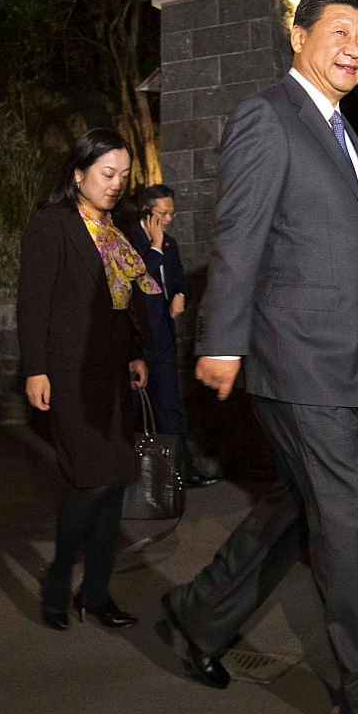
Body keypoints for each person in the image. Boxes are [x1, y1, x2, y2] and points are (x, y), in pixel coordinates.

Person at [156, 0, 358, 714]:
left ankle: (194, 616)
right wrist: (221, 339)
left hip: (346, 359)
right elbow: (240, 232)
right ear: (299, 36)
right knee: (346, 521)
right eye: (339, 30)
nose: (355, 46)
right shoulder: (268, 114)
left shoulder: (344, 131)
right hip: (298, 357)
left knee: (297, 507)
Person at [18, 128, 159, 631]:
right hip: (68, 376)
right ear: (78, 174)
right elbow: (33, 304)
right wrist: (35, 367)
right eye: (106, 174)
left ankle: (96, 594)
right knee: (93, 480)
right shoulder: (52, 226)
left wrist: (136, 353)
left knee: (114, 484)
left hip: (113, 379)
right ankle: (59, 584)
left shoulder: (116, 229)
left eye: (123, 176)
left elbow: (125, 302)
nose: (116, 184)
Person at [128, 184, 220, 488]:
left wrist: (180, 292)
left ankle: (182, 472)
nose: (169, 219)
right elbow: (137, 281)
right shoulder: (129, 241)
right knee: (142, 411)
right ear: (147, 212)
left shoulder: (171, 244)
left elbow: (179, 277)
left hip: (164, 337)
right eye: (163, 213)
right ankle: (150, 478)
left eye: (171, 212)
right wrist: (154, 245)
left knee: (170, 407)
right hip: (137, 340)